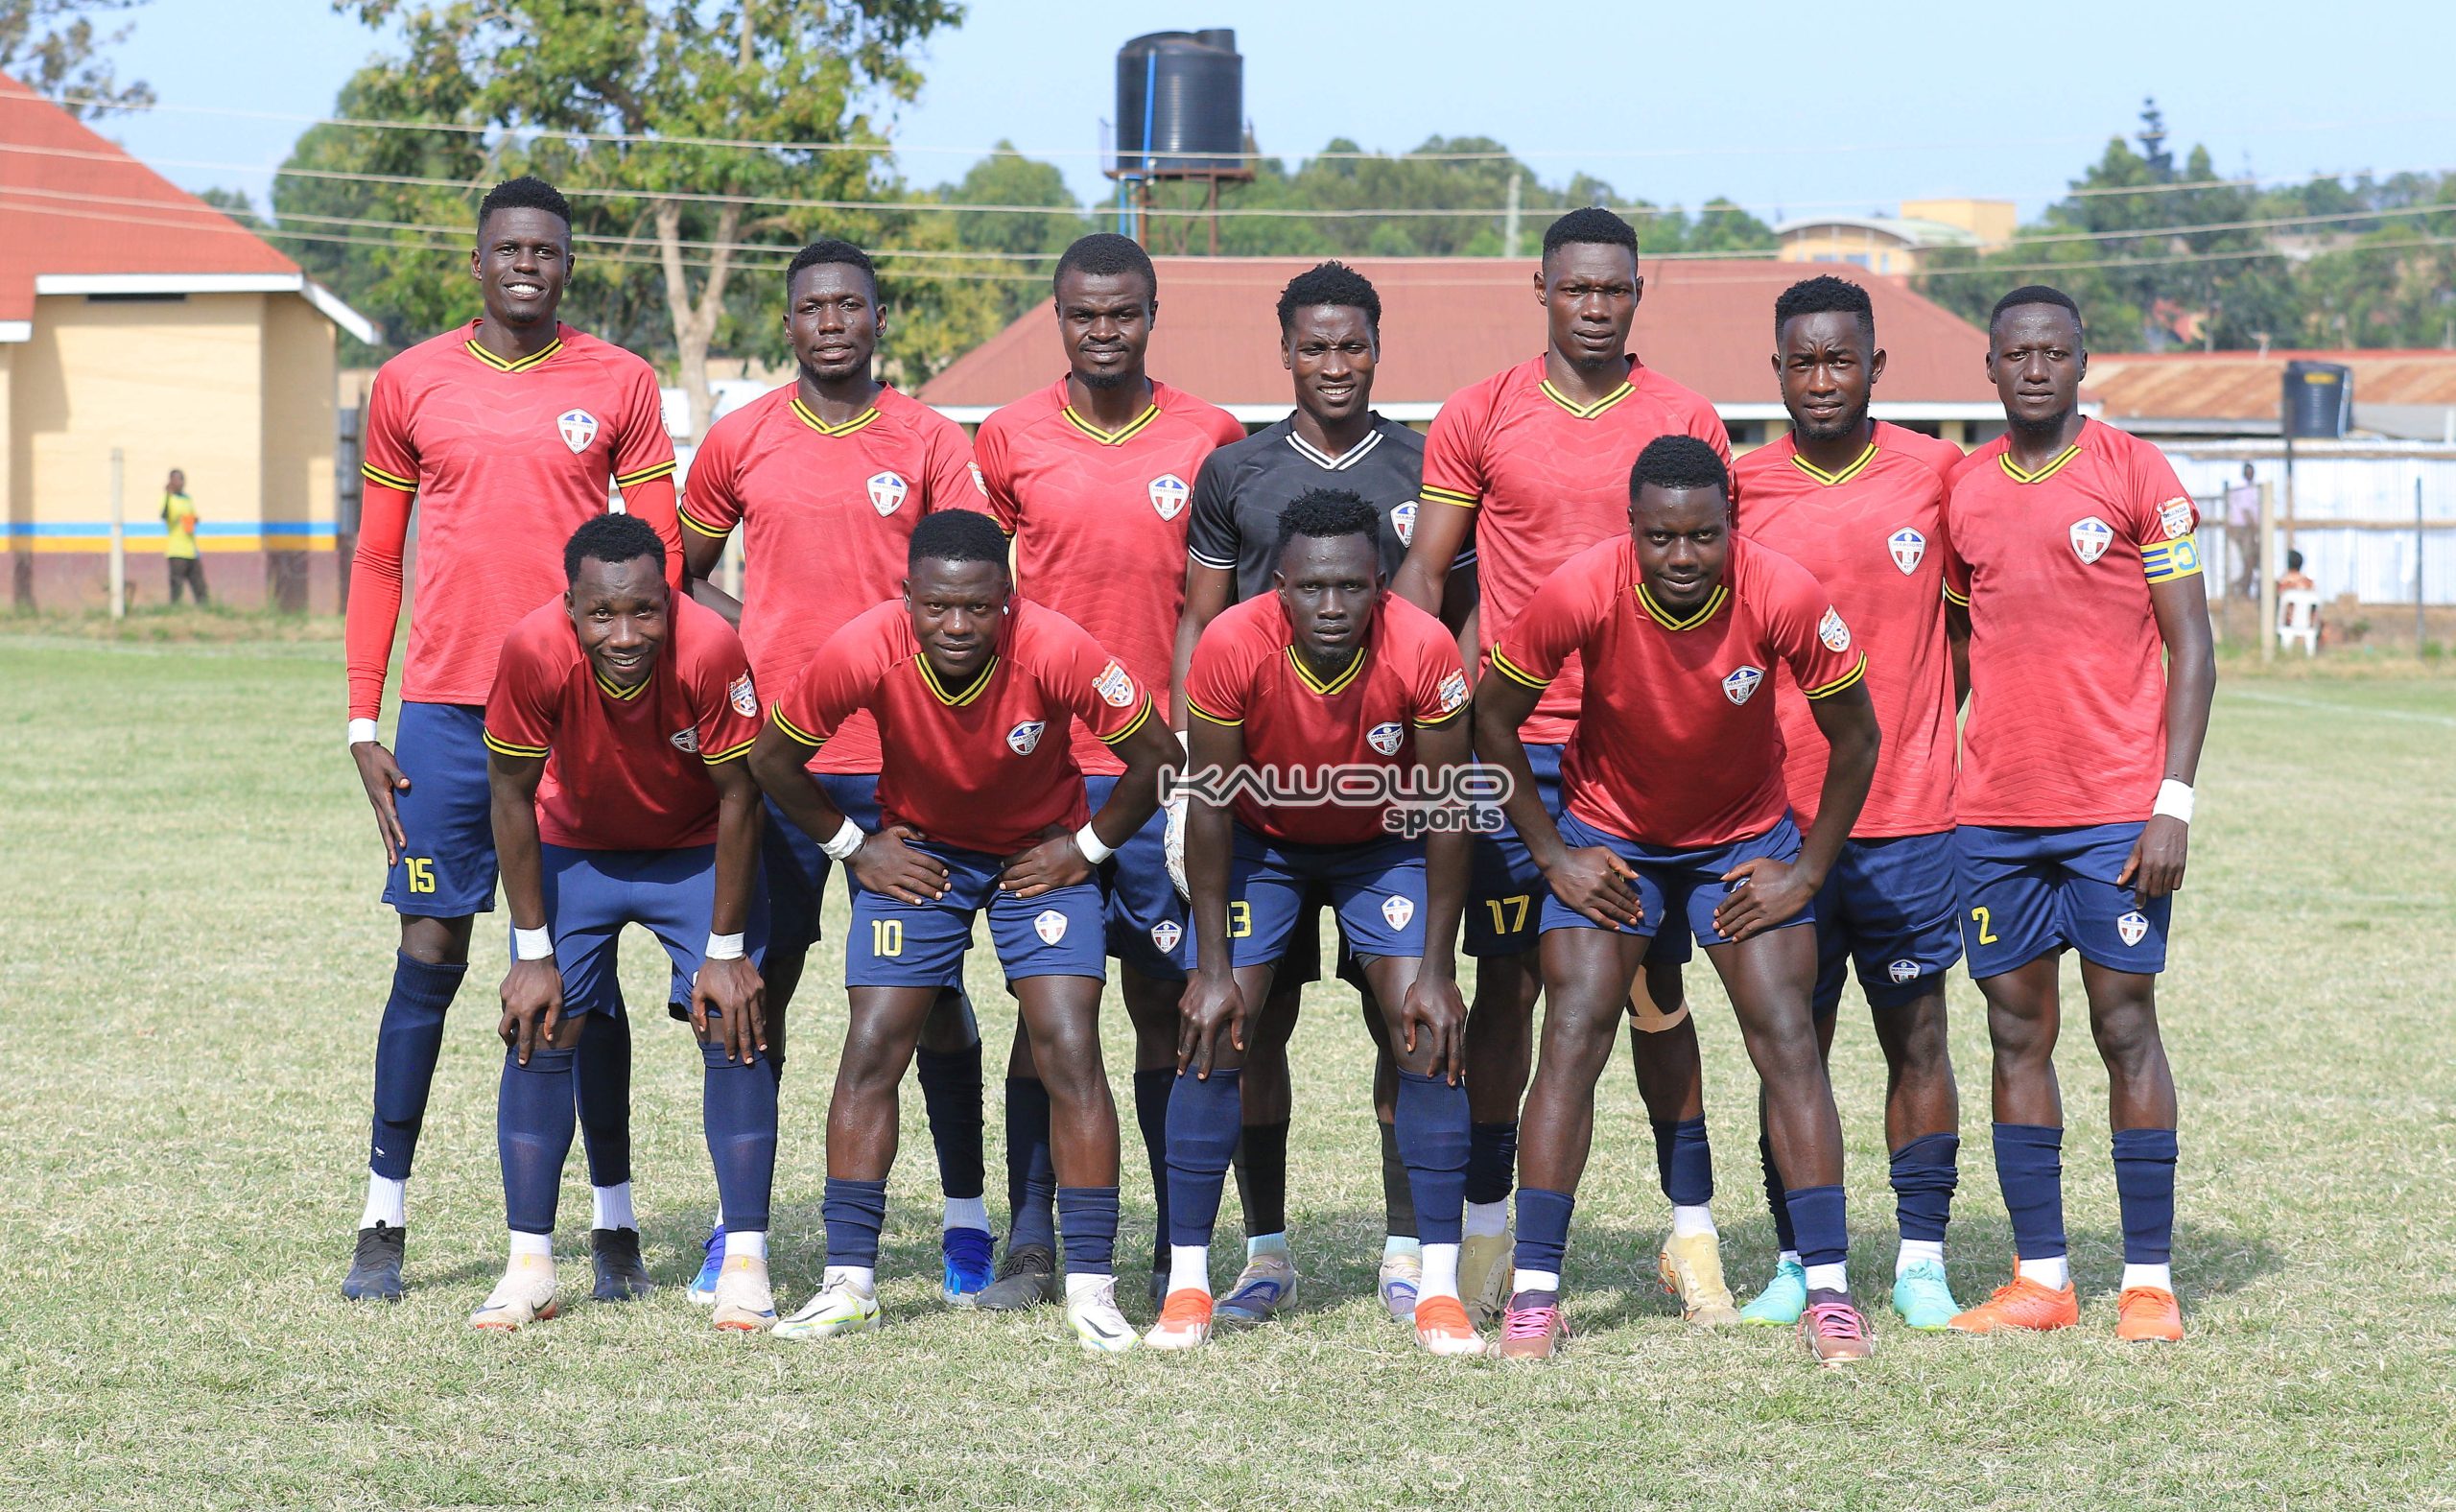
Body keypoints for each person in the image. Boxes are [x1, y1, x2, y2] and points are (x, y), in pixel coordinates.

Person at [1391, 206, 1741, 1329]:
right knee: (1509, 990)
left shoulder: (1684, 418)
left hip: (1648, 751)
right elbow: (1425, 572)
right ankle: (1489, 1231)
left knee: (1653, 990)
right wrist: (1407, 705)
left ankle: (1691, 1233)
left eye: (1614, 289)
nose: (1595, 306)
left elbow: (1725, 578)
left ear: (1639, 292)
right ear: (1540, 289)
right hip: (1515, 746)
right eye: (1576, 288)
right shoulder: (1479, 412)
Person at [341, 176, 681, 1304]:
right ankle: (383, 1214)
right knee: (429, 951)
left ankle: (613, 1220)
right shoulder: (410, 380)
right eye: (509, 247)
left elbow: (662, 560)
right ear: (478, 261)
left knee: (583, 964)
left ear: (567, 264)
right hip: (445, 714)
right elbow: (378, 556)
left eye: (546, 248)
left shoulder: (621, 381)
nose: (527, 263)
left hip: (582, 713)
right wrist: (363, 717)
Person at [1475, 435, 1882, 1365]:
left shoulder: (1781, 591)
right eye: (1661, 537)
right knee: (1572, 1029)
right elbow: (1491, 717)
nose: (1684, 556)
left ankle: (1829, 1293)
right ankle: (1534, 1296)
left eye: (1703, 535)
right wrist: (1553, 856)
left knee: (1787, 1037)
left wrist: (1806, 872)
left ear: (1730, 526)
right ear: (1632, 528)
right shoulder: (1583, 587)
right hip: (1612, 837)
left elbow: (1857, 735)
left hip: (1744, 841)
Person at [749, 508, 1180, 1353]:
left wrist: (1084, 849)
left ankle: (1092, 1287)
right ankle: (848, 1284)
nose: (956, 625)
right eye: (937, 606)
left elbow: (1160, 757)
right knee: (873, 1043)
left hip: (1034, 858)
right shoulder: (862, 646)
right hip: (922, 858)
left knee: (1069, 1043)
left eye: (979, 607)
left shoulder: (1056, 647)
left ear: (1008, 600)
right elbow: (771, 758)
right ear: (905, 597)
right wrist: (855, 847)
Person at [677, 238, 993, 1307]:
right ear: (788, 323)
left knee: (929, 999)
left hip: (910, 765)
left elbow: (975, 589)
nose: (831, 323)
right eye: (812, 307)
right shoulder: (741, 437)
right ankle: (740, 1226)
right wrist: (757, 644)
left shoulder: (929, 439)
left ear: (877, 319)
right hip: (780, 766)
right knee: (757, 990)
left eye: (849, 305)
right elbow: (681, 575)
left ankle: (965, 1219)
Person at [1170, 260, 1476, 1326]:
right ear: (1286, 352)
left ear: (1378, 349)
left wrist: (1444, 711)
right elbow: (1202, 621)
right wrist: (1192, 763)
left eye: (1352, 345)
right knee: (1240, 1027)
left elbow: (1455, 612)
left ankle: (1412, 1258)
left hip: (1386, 806)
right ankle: (1256, 1257)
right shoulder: (1235, 473)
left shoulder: (1426, 468)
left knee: (1415, 1021)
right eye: (1315, 345)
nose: (1334, 363)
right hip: (1261, 811)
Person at [972, 232, 1246, 1312]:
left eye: (1122, 312)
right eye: (1083, 314)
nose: (1103, 330)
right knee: (1049, 1013)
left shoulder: (1210, 436)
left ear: (1151, 314)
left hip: (1167, 774)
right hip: (1043, 773)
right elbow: (971, 600)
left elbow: (1228, 609)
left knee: (1167, 1003)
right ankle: (1031, 1242)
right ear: (1058, 317)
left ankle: (1177, 1246)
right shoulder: (1007, 437)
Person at [1944, 286, 2214, 1344]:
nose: (2036, 369)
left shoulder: (2137, 472)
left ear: (2082, 361)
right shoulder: (1965, 490)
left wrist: (2171, 801)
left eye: (2054, 352)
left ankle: (2147, 1281)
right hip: (1995, 817)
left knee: (2124, 1025)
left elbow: (2191, 646)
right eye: (2017, 353)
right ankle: (2042, 1279)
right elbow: (1958, 650)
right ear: (1991, 366)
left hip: (2114, 813)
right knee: (2016, 1032)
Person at [1728, 275, 1969, 1332]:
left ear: (1875, 367)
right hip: (1775, 823)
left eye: (1840, 360)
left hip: (1909, 819)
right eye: (1802, 362)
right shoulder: (1741, 488)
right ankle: (1797, 1257)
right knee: (1791, 1044)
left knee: (1918, 1036)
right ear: (1776, 371)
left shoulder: (1936, 474)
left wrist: (1926, 724)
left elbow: (1967, 625)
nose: (1821, 379)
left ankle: (1921, 1259)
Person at [470, 514, 775, 1333]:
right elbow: (509, 794)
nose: (626, 634)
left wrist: (726, 951)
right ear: (570, 606)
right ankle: (530, 1268)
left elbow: (742, 795)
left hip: (696, 846)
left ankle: (746, 1264)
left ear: (670, 600)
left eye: (645, 610)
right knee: (539, 1023)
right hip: (578, 848)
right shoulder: (532, 649)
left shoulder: (712, 648)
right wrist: (531, 950)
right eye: (602, 614)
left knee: (735, 1023)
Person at [161, 469, 206, 604]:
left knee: (199, 584)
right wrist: (167, 496)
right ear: (171, 481)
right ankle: (175, 608)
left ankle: (205, 609)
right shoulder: (168, 499)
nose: (181, 482)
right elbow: (164, 516)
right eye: (177, 479)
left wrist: (194, 519)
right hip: (176, 550)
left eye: (182, 479)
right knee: (176, 584)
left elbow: (191, 515)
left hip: (191, 549)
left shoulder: (187, 499)